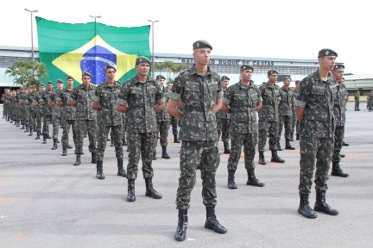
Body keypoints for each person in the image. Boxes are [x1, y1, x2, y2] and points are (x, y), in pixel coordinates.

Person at [167, 40, 227, 242]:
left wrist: (209, 115)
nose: (206, 55)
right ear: (194, 54)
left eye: (209, 52)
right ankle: (182, 221)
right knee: (187, 178)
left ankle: (211, 218)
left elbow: (219, 102)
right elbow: (171, 107)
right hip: (191, 138)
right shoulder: (183, 78)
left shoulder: (215, 77)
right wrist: (189, 119)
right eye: (202, 52)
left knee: (210, 177)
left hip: (211, 136)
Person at [294, 48, 339, 219]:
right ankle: (303, 203)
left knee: (324, 166)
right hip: (311, 132)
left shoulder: (332, 81)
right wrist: (308, 125)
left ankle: (320, 201)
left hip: (328, 132)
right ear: (320, 60)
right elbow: (299, 108)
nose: (332, 61)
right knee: (307, 168)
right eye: (329, 58)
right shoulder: (309, 81)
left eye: (334, 59)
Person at [116, 56, 164, 202]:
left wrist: (149, 113)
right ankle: (131, 189)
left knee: (148, 159)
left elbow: (161, 103)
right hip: (134, 128)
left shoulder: (155, 84)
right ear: (136, 66)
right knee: (133, 159)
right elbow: (119, 106)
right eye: (142, 65)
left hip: (150, 127)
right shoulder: (128, 84)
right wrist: (134, 114)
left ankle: (149, 188)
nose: (145, 68)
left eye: (147, 66)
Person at [221, 65, 264, 189]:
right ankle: (231, 178)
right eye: (246, 72)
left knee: (250, 152)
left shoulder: (255, 89)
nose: (249, 74)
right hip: (237, 127)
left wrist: (249, 112)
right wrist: (236, 113)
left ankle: (251, 177)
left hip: (252, 127)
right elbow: (224, 106)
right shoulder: (233, 89)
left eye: (251, 72)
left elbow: (259, 104)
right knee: (235, 153)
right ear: (241, 73)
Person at [92, 64, 125, 180]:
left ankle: (120, 169)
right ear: (105, 74)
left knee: (119, 144)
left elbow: (125, 103)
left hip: (118, 119)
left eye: (113, 72)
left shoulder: (121, 87)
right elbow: (95, 105)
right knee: (101, 144)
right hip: (103, 120)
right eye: (109, 72)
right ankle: (99, 170)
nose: (111, 74)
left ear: (115, 73)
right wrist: (103, 113)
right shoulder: (100, 88)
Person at [68, 72, 97, 166]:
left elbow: (98, 101)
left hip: (92, 117)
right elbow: (69, 101)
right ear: (82, 79)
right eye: (85, 78)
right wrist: (78, 106)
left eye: (88, 78)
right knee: (79, 137)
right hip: (81, 117)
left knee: (93, 137)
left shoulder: (95, 89)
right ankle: (78, 157)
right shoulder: (77, 89)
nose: (87, 80)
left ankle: (94, 156)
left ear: (90, 79)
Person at [257, 70, 285, 164]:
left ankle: (274, 155)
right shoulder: (263, 87)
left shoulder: (277, 87)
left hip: (275, 116)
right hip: (265, 117)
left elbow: (279, 99)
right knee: (263, 136)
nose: (275, 77)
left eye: (276, 76)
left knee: (274, 136)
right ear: (268, 76)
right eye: (273, 75)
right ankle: (261, 156)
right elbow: (257, 100)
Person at [330, 64, 349, 177]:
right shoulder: (328, 85)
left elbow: (345, 99)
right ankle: (322, 169)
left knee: (338, 145)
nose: (341, 74)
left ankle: (336, 168)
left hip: (341, 119)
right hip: (329, 121)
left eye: (342, 72)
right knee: (326, 147)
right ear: (333, 72)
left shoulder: (342, 86)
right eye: (339, 72)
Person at [56, 75, 76, 156]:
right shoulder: (62, 92)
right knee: (65, 133)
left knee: (76, 133)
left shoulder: (77, 91)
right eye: (69, 80)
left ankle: (77, 150)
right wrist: (65, 107)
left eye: (71, 80)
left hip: (76, 115)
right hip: (65, 115)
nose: (70, 81)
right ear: (66, 81)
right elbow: (58, 102)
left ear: (73, 81)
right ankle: (64, 149)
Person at [153, 74, 171, 159]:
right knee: (154, 136)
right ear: (157, 81)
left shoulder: (168, 91)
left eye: (163, 80)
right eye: (160, 80)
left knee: (164, 135)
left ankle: (164, 152)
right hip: (155, 116)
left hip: (166, 116)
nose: (162, 82)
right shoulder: (153, 91)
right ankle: (153, 152)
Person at [278, 76, 295, 150]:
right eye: (287, 81)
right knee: (279, 129)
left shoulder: (291, 91)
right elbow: (277, 101)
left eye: (289, 81)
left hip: (289, 112)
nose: (288, 82)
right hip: (281, 112)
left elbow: (292, 101)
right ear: (283, 82)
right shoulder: (279, 91)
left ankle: (287, 143)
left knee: (288, 128)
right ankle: (277, 143)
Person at [216, 75, 231, 154]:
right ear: (221, 82)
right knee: (217, 132)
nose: (226, 83)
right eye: (225, 81)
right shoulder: (217, 91)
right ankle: (215, 148)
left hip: (227, 115)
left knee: (226, 132)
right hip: (219, 115)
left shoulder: (229, 91)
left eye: (228, 81)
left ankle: (226, 147)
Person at [48, 79, 63, 150]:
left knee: (66, 130)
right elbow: (49, 101)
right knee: (55, 128)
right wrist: (53, 107)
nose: (60, 85)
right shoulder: (54, 93)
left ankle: (66, 143)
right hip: (56, 113)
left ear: (63, 85)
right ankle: (54, 143)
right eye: (58, 84)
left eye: (61, 84)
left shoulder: (66, 92)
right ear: (57, 85)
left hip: (65, 113)